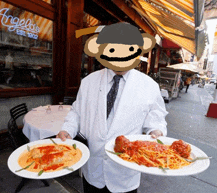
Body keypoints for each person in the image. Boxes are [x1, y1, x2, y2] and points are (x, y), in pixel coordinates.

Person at [57, 23, 168, 193]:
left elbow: (157, 116)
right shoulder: (88, 82)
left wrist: (157, 130)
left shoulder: (149, 85)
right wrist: (67, 129)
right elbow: (76, 112)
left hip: (125, 171)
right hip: (93, 168)